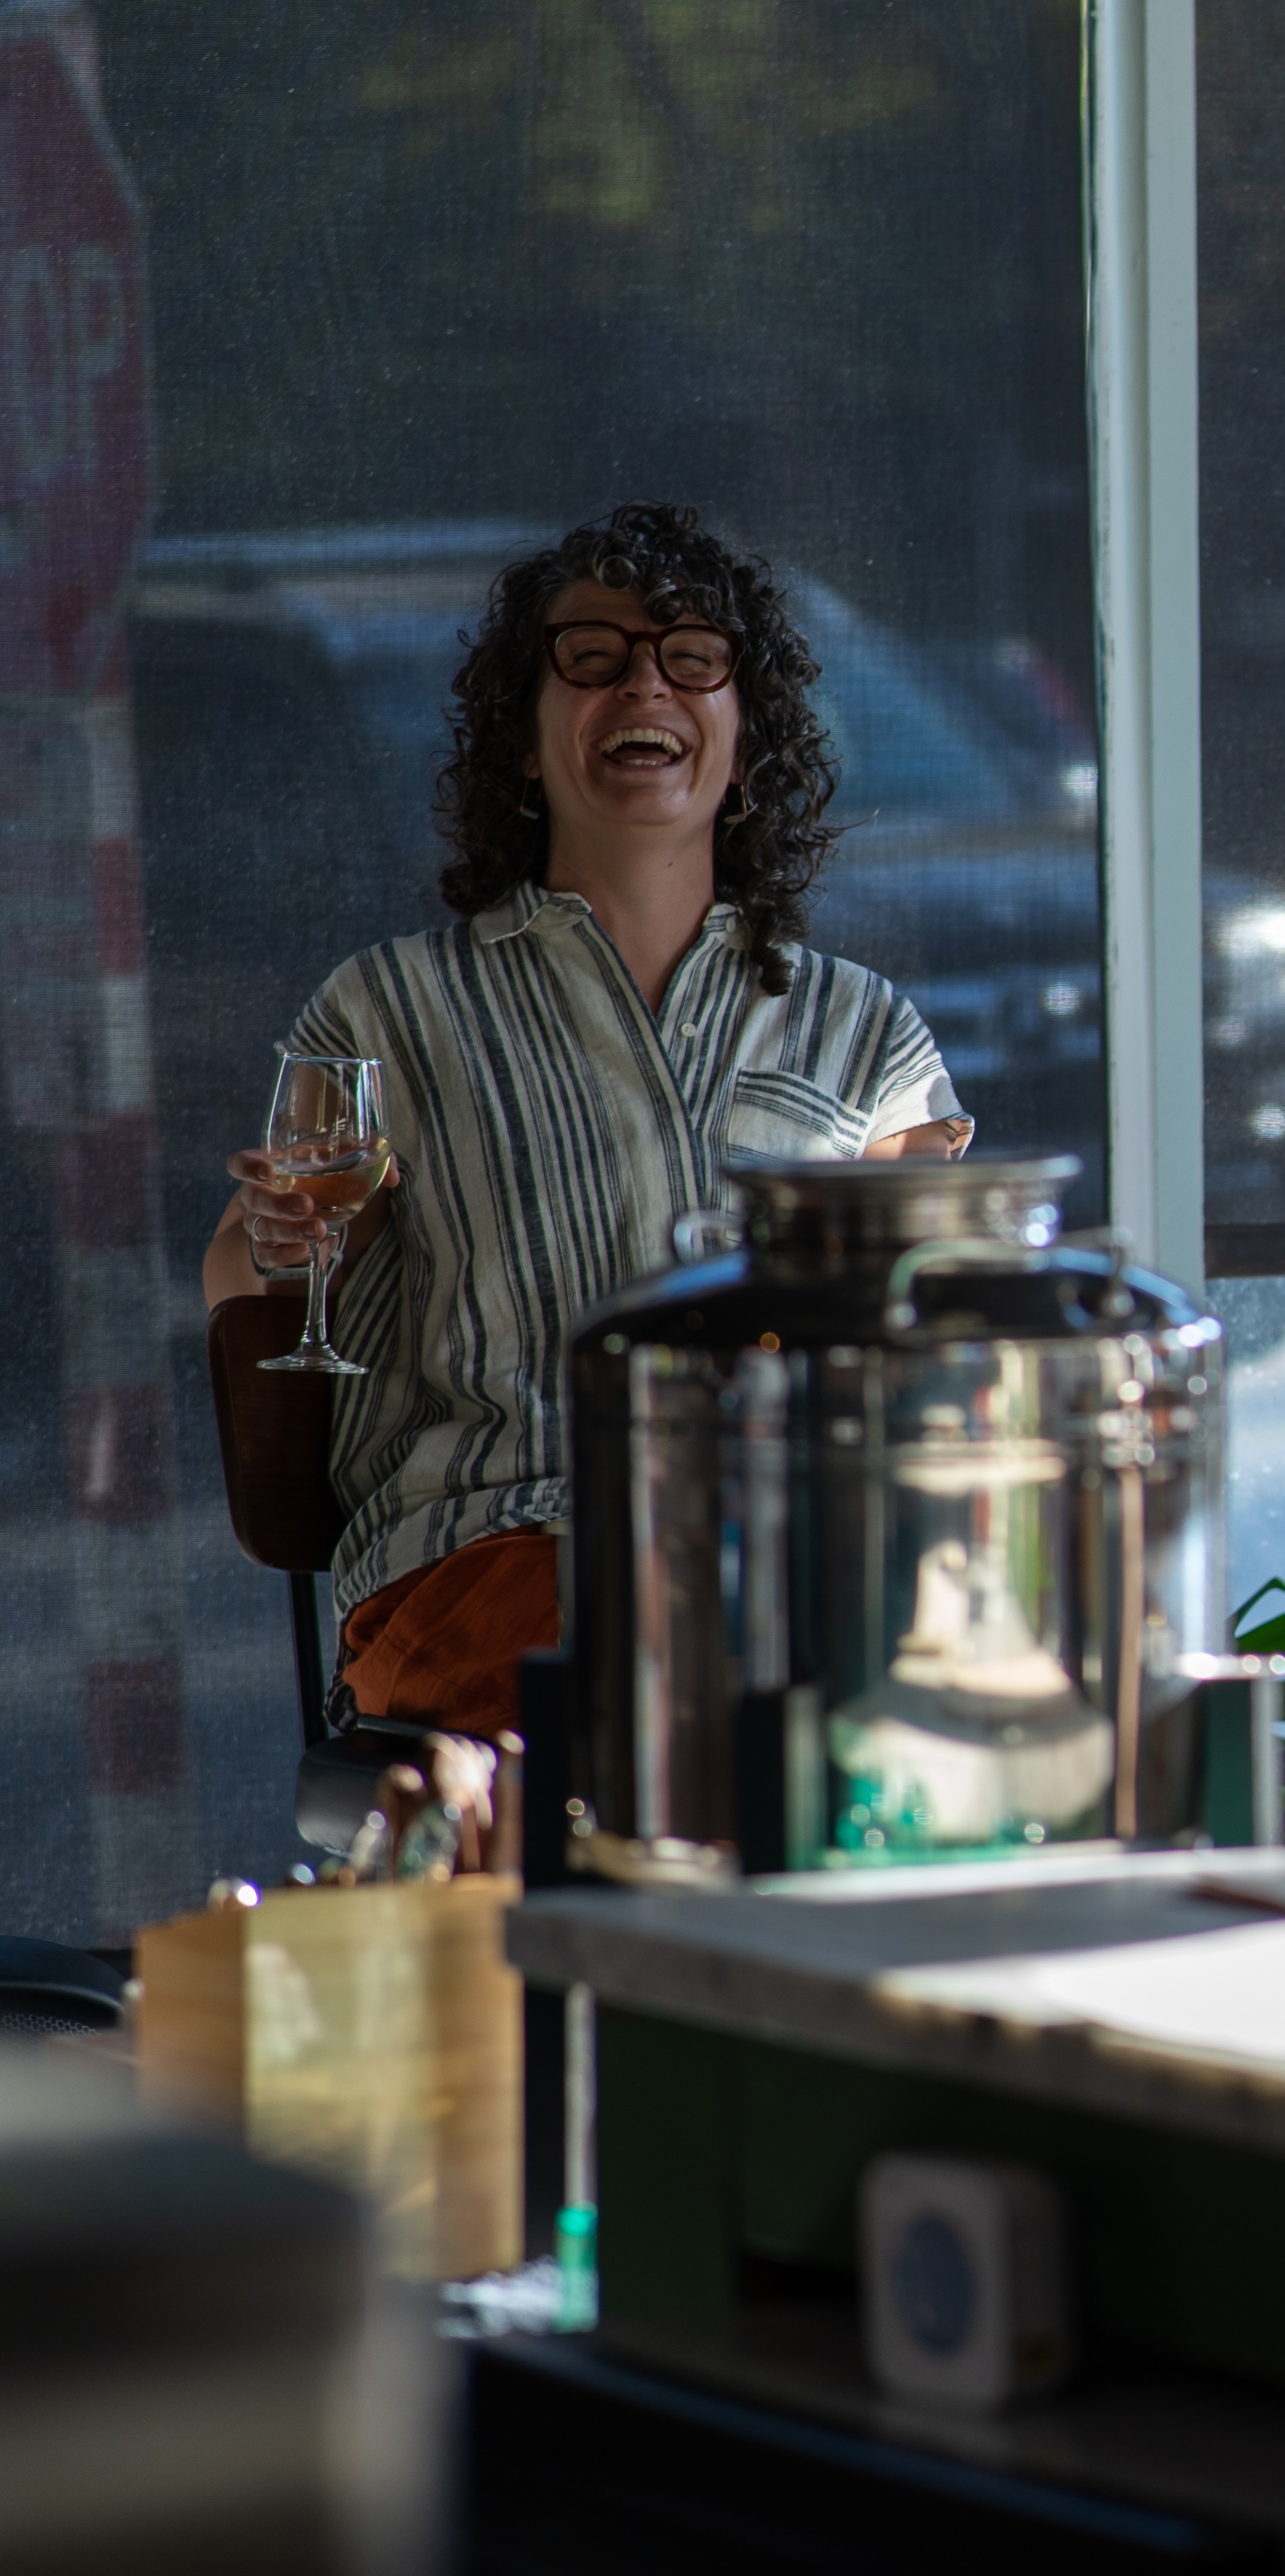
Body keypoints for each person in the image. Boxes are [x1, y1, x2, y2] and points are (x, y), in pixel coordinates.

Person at [201, 502, 970, 1737]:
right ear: (522, 736)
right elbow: (263, 1265)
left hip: (792, 1553)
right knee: (738, 1699)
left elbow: (920, 1326)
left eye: (692, 660)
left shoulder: (864, 1031)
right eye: (593, 659)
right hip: (497, 1548)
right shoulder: (389, 1004)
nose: (643, 685)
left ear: (745, 731)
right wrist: (285, 1239)